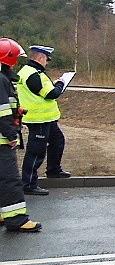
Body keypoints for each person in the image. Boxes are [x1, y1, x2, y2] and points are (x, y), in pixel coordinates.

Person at [0, 38, 42, 232]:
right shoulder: (1, 79)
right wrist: (11, 135)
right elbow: (2, 112)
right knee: (9, 179)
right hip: (2, 140)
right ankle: (16, 219)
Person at [16, 45, 70, 196]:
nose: (47, 62)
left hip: (47, 118)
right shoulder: (33, 74)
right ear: (40, 58)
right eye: (46, 59)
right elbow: (51, 94)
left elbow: (41, 89)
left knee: (57, 140)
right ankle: (29, 184)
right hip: (38, 119)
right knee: (36, 152)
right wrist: (60, 84)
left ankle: (53, 170)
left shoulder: (33, 72)